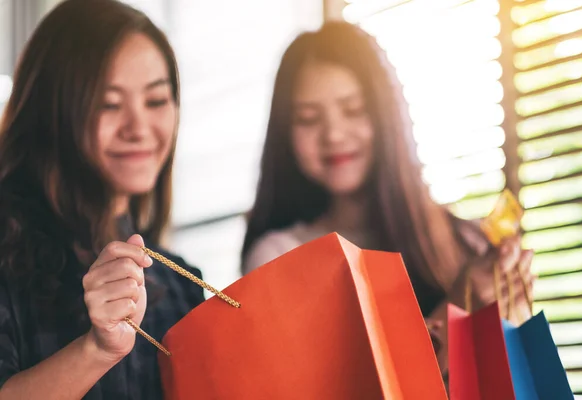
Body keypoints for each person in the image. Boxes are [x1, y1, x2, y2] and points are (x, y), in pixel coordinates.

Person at [241, 21, 534, 373]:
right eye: (308, 118)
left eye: (354, 110)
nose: (333, 134)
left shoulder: (468, 241)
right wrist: (458, 308)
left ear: (387, 116)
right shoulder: (277, 258)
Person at [0, 1, 205, 398]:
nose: (139, 128)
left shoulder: (181, 285)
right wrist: (96, 349)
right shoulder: (8, 257)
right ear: (52, 113)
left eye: (157, 100)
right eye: (108, 104)